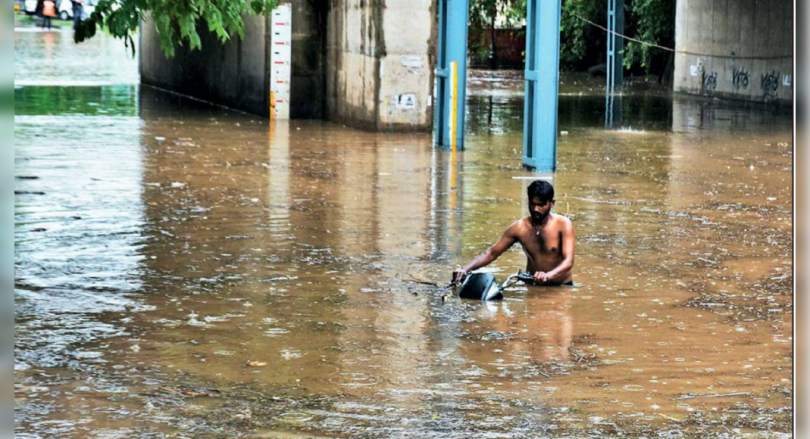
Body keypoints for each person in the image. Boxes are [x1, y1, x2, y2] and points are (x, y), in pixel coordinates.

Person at [455, 180, 575, 286]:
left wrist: (548, 275)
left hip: (561, 286)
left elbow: (568, 261)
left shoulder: (563, 224)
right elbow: (492, 253)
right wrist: (465, 269)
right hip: (533, 285)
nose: (535, 209)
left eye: (541, 205)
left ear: (552, 203)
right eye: (532, 204)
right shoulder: (519, 228)